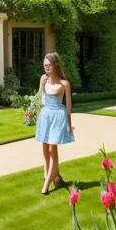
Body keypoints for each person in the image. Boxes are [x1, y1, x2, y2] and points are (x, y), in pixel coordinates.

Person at [35, 52, 75, 195]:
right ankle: (52, 176)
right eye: (45, 65)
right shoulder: (43, 79)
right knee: (45, 149)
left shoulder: (64, 84)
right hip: (45, 116)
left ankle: (46, 184)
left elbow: (68, 106)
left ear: (55, 66)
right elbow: (39, 98)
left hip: (58, 116)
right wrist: (37, 115)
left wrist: (69, 123)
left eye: (49, 65)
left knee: (52, 150)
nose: (46, 68)